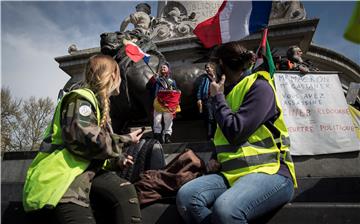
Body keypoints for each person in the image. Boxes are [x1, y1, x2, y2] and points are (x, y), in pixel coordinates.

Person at [176, 42, 297, 224]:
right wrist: (215, 158)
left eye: (213, 65)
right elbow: (224, 135)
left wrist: (217, 98)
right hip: (231, 175)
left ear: (221, 65)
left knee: (225, 210)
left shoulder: (260, 87)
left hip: (271, 173)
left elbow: (236, 131)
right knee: (186, 197)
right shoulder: (230, 93)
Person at [23, 55, 143, 224]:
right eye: (121, 76)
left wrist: (117, 161)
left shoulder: (98, 106)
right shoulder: (80, 98)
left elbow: (93, 152)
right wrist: (126, 139)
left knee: (124, 190)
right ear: (113, 76)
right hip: (63, 181)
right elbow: (83, 139)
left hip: (83, 175)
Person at [147, 62, 180, 144]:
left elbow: (175, 92)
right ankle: (157, 138)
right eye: (161, 68)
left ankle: (167, 137)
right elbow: (148, 87)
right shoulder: (156, 79)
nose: (162, 69)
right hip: (158, 102)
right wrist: (153, 79)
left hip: (168, 103)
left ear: (168, 69)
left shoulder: (172, 81)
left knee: (168, 120)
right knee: (157, 120)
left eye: (164, 67)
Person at [196, 62, 217, 140]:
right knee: (209, 117)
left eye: (208, 67)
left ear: (213, 68)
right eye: (206, 68)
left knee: (216, 118)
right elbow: (200, 89)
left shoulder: (217, 77)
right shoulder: (204, 78)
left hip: (217, 99)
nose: (207, 69)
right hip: (207, 99)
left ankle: (216, 135)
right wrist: (199, 98)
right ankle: (210, 135)